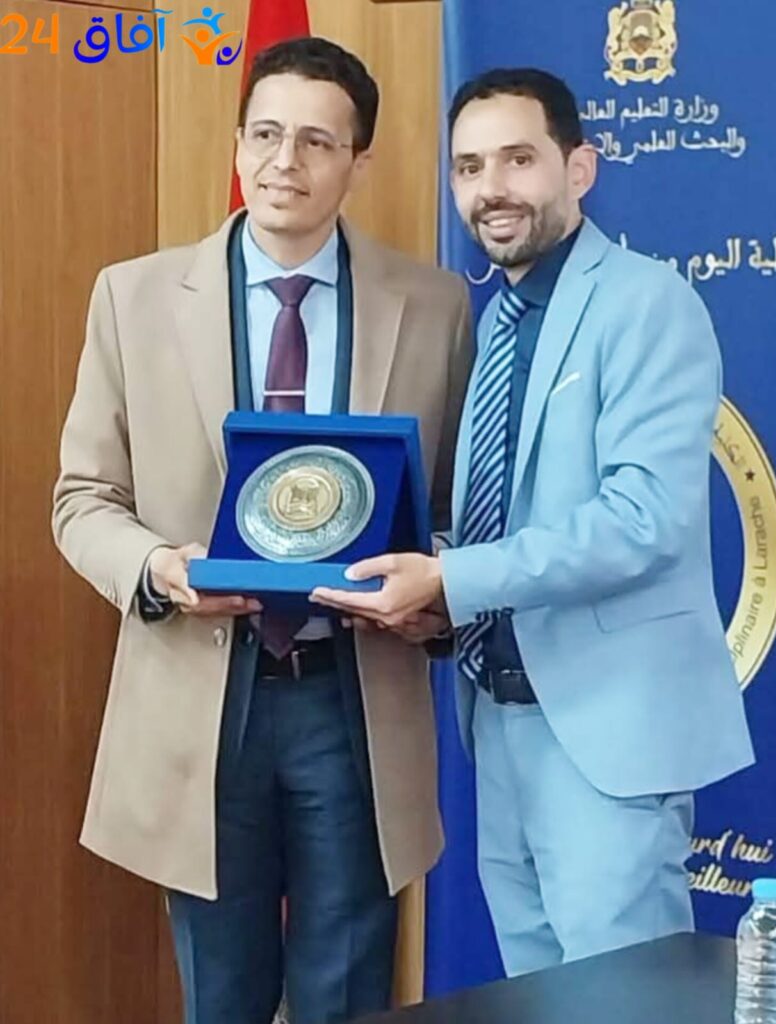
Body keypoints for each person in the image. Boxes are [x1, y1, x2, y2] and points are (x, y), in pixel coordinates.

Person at [52, 37, 471, 1024]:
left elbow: (456, 515)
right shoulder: (133, 297)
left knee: (347, 992)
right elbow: (81, 498)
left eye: (317, 142)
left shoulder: (435, 305)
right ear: (237, 143)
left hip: (355, 697)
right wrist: (159, 567)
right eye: (266, 135)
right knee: (223, 995)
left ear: (358, 161)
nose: (285, 162)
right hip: (200, 694)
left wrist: (435, 597)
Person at [311, 67, 755, 977]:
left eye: (518, 159)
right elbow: (509, 518)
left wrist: (453, 577)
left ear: (578, 168)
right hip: (502, 719)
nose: (492, 189)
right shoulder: (502, 319)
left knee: (622, 998)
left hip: (606, 732)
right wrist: (437, 593)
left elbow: (642, 520)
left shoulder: (645, 302)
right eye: (469, 167)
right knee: (538, 996)